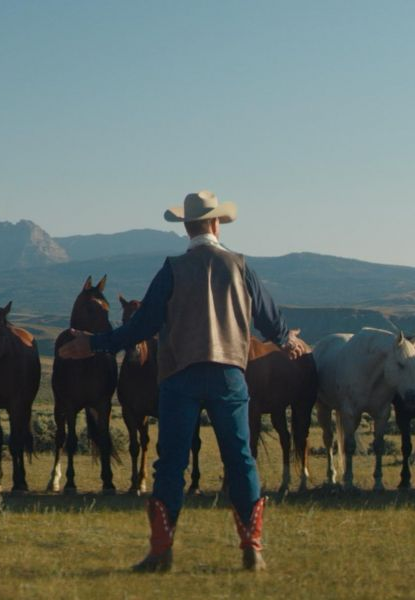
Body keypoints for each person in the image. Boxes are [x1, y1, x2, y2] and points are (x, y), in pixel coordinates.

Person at [58, 190, 303, 573]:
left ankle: (160, 552)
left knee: (170, 464)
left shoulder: (171, 270)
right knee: (241, 460)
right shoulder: (240, 266)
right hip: (228, 375)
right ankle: (251, 548)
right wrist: (288, 340)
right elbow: (270, 318)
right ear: (217, 223)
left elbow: (141, 327)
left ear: (187, 228)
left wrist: (94, 344)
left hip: (178, 377)